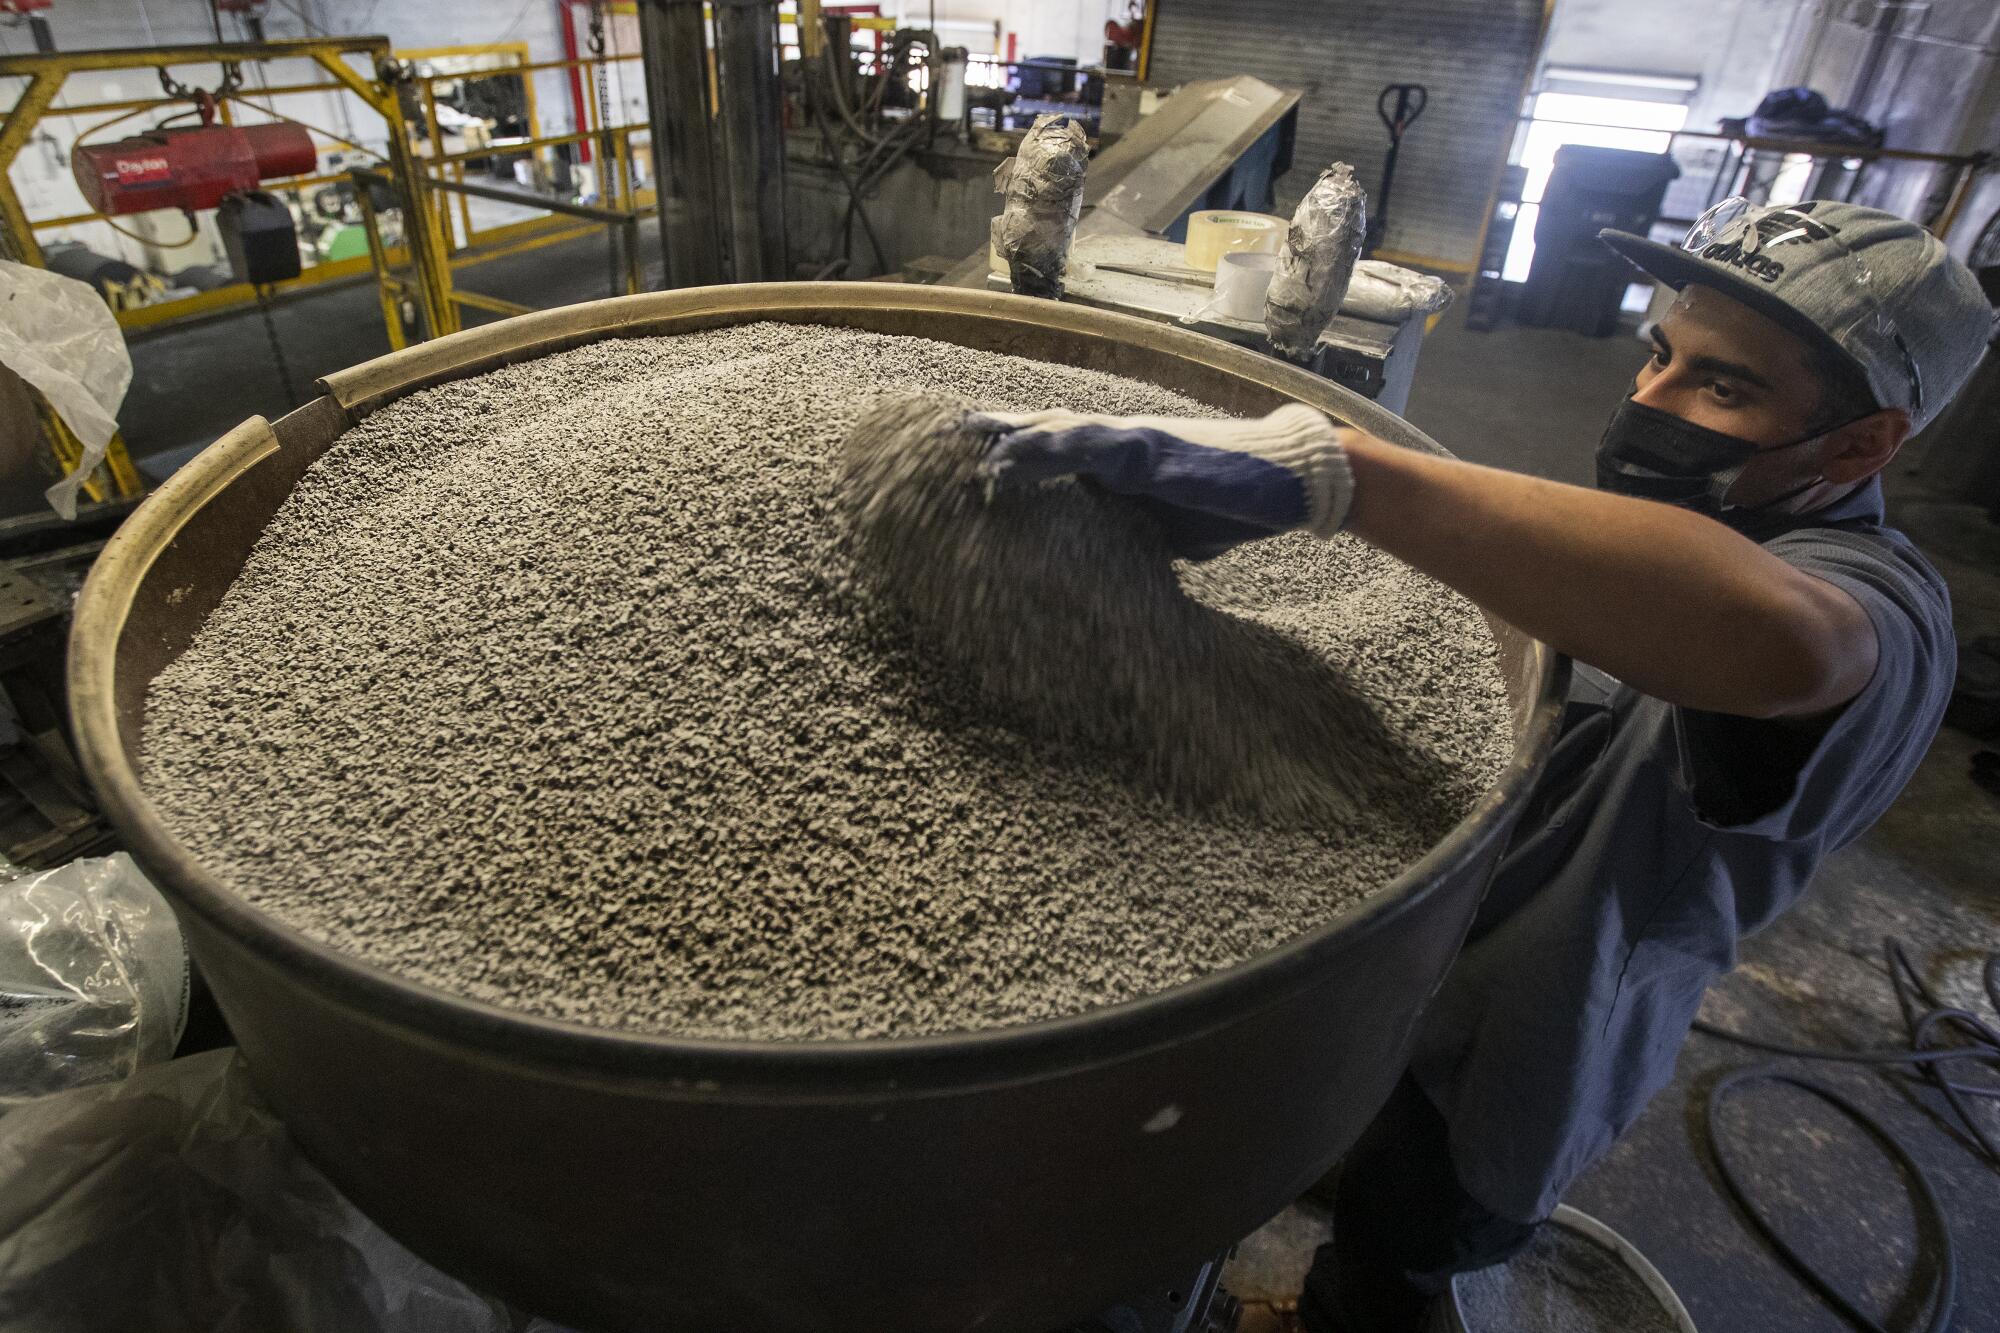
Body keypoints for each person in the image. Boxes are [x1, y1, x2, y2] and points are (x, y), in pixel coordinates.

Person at [975, 199, 1991, 1332]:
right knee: (1352, 1139)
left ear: (1860, 446)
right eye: (1658, 354)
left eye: (1724, 387)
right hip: (1428, 958)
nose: (1649, 402)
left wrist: (1342, 477)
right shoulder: (1704, 523)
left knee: (1401, 1248)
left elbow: (1793, 639)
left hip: (1526, 1039)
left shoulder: (1881, 613)